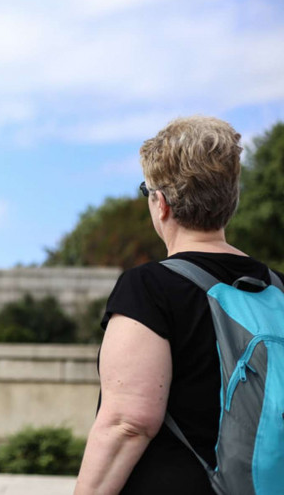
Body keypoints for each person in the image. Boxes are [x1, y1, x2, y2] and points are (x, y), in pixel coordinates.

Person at [75, 116, 283, 494]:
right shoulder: (278, 289)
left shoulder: (149, 288)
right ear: (231, 199)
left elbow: (127, 423)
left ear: (162, 203)